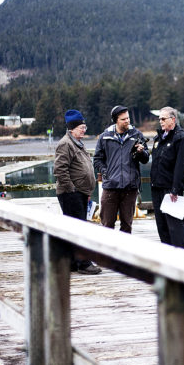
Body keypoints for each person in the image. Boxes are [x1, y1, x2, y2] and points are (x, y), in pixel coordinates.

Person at [53, 109, 102, 274]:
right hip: (70, 193)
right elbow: (60, 169)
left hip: (80, 193)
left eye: (85, 127)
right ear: (72, 128)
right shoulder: (65, 144)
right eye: (81, 127)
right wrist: (71, 189)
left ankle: (72, 262)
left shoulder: (77, 143)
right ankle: (84, 263)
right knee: (80, 228)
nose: (84, 130)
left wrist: (86, 191)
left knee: (74, 228)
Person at [93, 105, 150, 233]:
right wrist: (106, 172)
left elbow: (146, 158)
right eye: (123, 119)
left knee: (127, 226)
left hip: (130, 188)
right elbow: (97, 159)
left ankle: (123, 252)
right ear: (116, 120)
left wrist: (141, 152)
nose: (127, 121)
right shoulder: (104, 137)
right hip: (110, 187)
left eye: (128, 118)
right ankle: (107, 253)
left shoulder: (137, 135)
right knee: (107, 225)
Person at [150, 106, 184, 248]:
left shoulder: (181, 138)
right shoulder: (158, 138)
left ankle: (181, 259)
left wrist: (175, 189)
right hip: (157, 188)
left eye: (163, 118)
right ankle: (168, 260)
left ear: (173, 119)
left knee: (175, 227)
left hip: (171, 190)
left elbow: (182, 166)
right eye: (159, 119)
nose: (160, 122)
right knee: (162, 227)